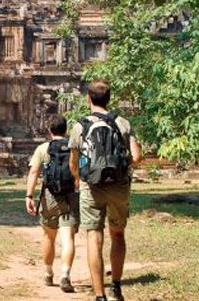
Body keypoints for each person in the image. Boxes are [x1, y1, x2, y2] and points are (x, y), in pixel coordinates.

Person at [69, 80, 142, 301]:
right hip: (119, 185)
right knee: (118, 234)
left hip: (92, 186)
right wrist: (120, 167)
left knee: (94, 237)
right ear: (109, 98)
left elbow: (73, 162)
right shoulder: (123, 123)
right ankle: (117, 287)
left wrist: (78, 179)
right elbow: (137, 157)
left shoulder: (80, 126)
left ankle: (99, 294)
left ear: (88, 99)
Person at [25, 114, 79, 293]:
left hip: (49, 196)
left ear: (50, 130)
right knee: (68, 237)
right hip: (70, 195)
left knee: (49, 236)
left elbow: (33, 173)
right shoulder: (74, 147)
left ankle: (48, 273)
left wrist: (29, 196)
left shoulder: (43, 148)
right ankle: (65, 274)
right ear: (66, 130)